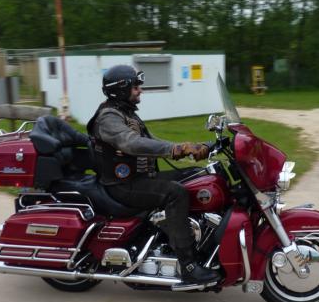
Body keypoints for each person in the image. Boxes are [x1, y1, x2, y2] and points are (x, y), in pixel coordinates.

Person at [87, 64, 220, 286]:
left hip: (142, 178)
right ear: (120, 89)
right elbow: (131, 143)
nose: (140, 90)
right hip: (123, 185)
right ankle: (188, 266)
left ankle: (202, 241)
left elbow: (151, 141)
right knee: (175, 193)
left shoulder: (126, 113)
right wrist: (175, 149)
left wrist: (191, 147)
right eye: (135, 86)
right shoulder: (108, 117)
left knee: (198, 176)